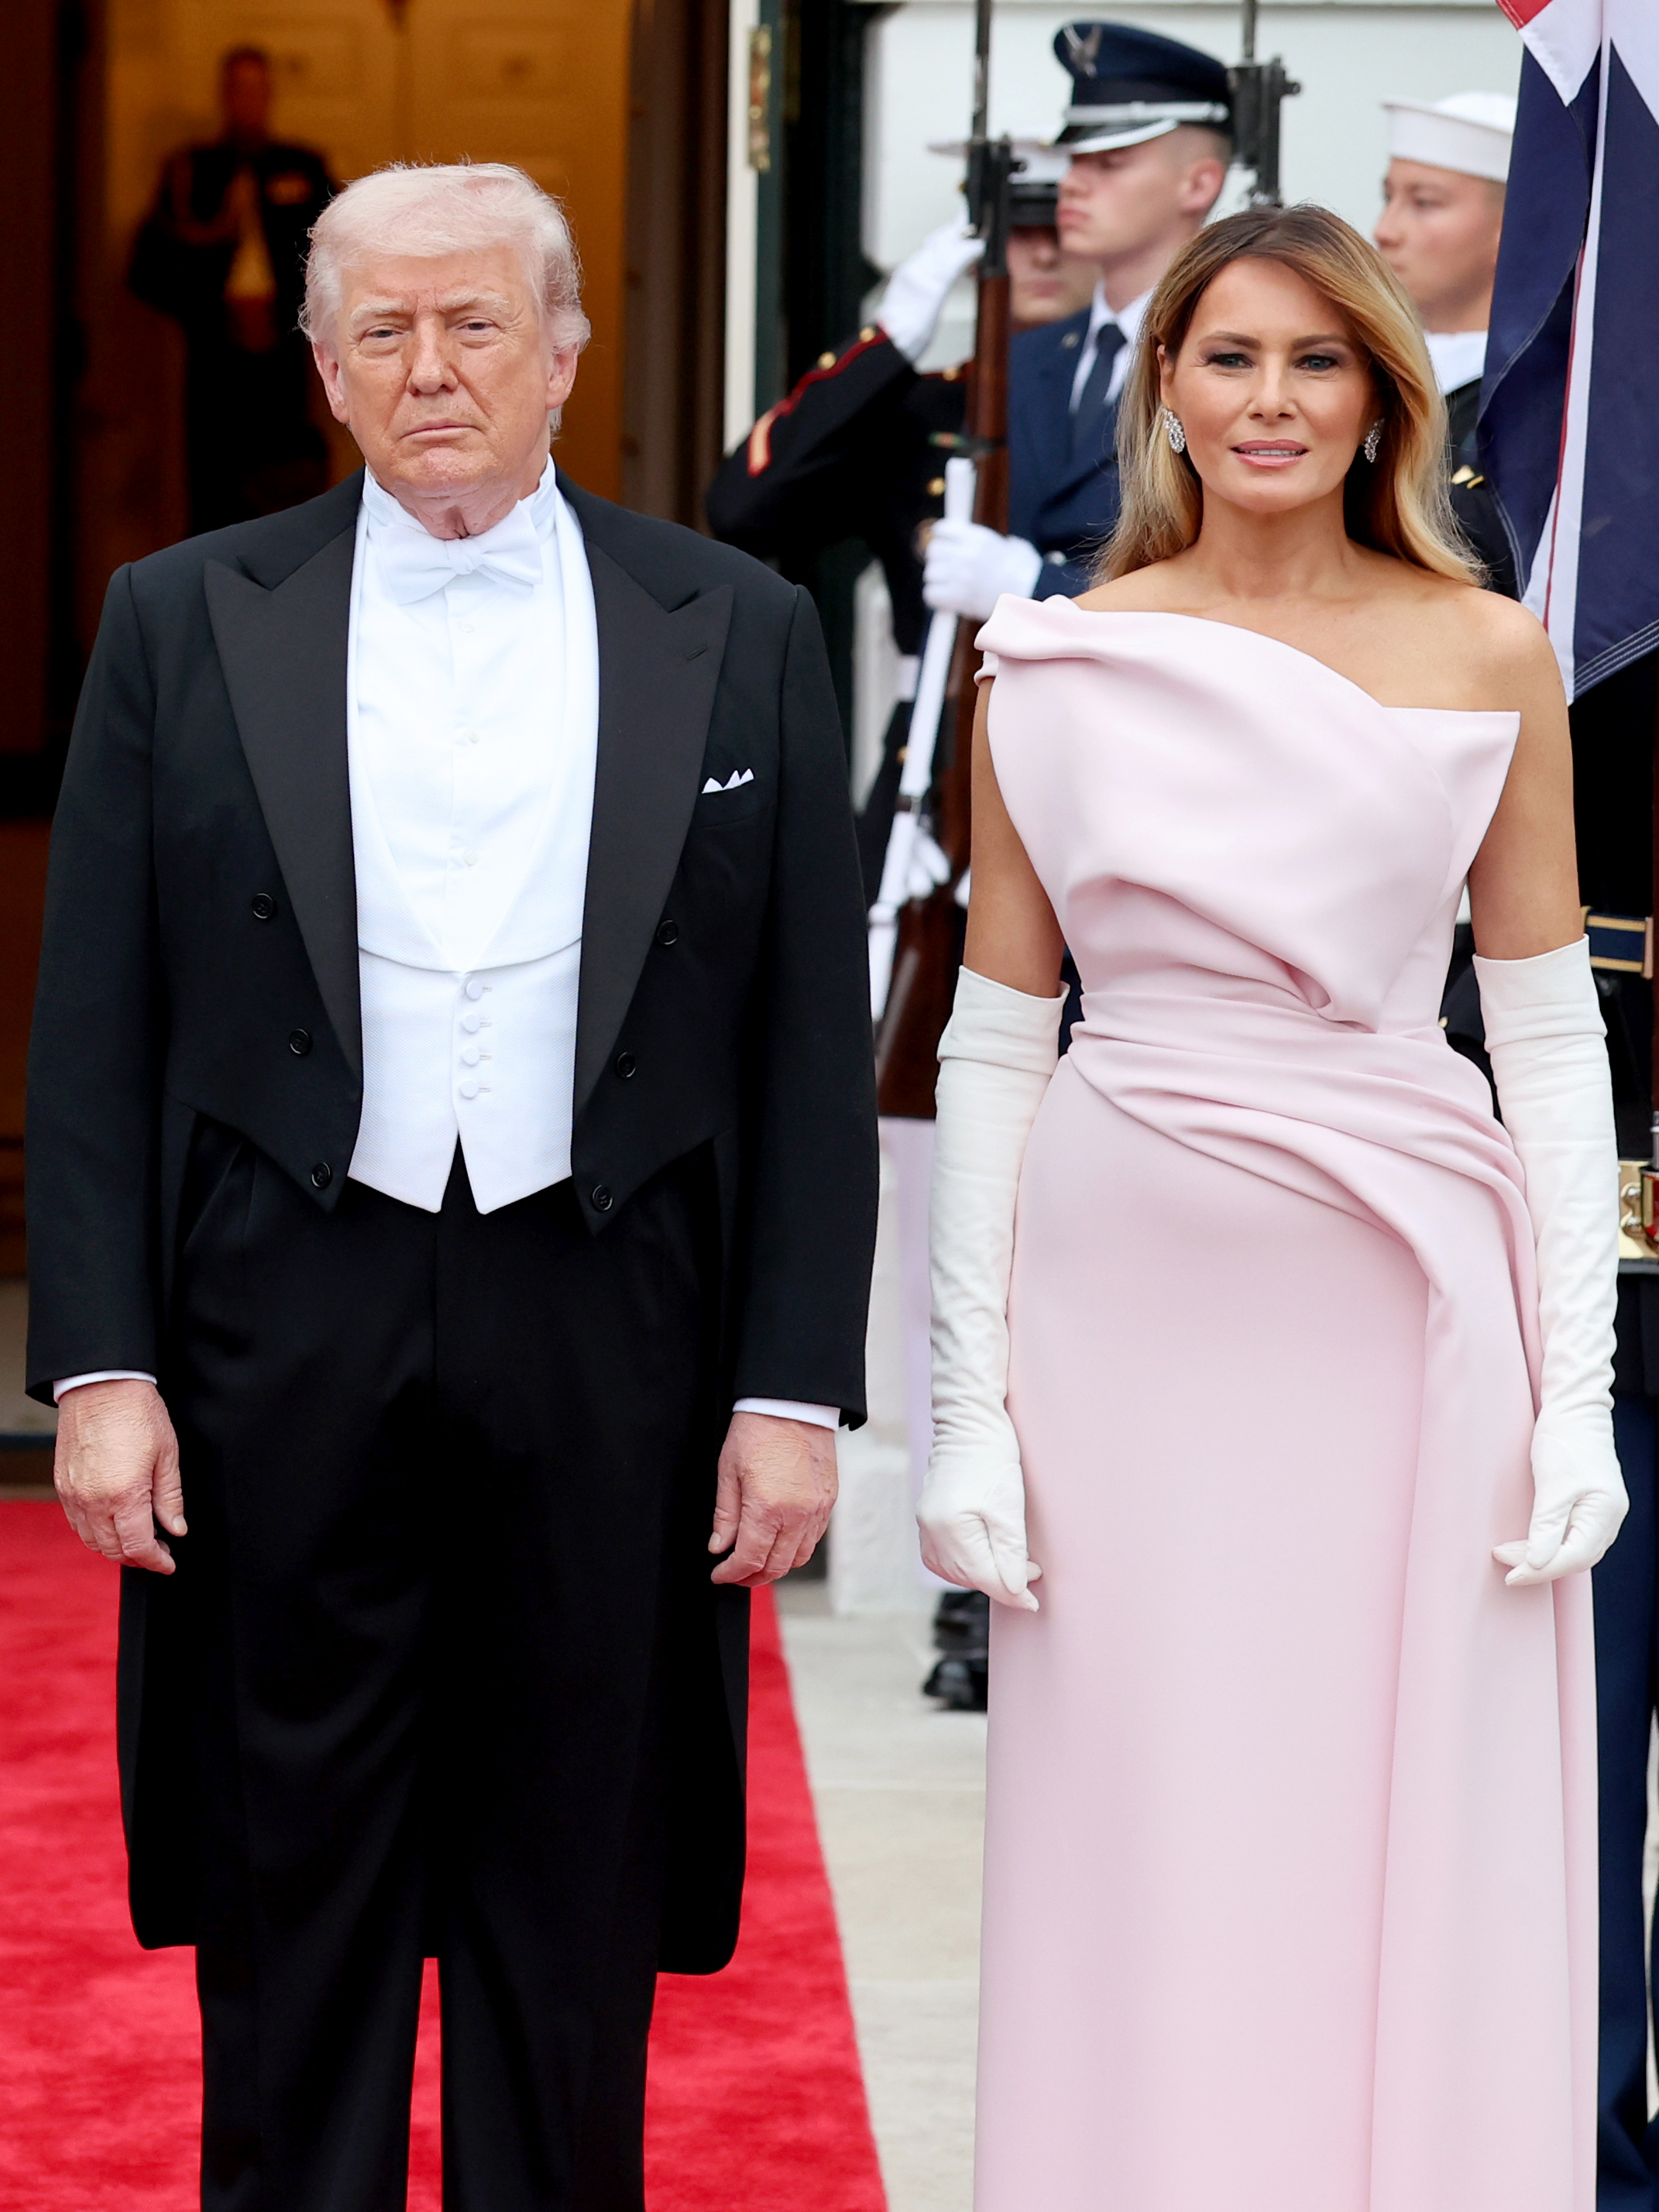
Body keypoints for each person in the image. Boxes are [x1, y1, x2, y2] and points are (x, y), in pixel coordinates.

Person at [29, 161, 877, 2211]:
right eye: (384, 331)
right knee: (285, 1869)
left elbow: (800, 1042)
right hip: (279, 1304)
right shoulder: (177, 616)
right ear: (323, 372)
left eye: (477, 323)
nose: (433, 368)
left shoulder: (738, 624)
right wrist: (102, 1366)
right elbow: (97, 1021)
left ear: (564, 353)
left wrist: (788, 1387)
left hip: (611, 1304)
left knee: (576, 1876)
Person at [921, 203, 1621, 2207]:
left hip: (1411, 1321)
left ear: (1381, 396)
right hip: (1121, 1335)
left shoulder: (1488, 653)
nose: (1270, 401)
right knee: (1152, 1838)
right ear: (1165, 385)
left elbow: (1548, 1039)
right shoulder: (1054, 664)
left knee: (1390, 1816)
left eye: (1318, 361)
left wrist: (1573, 1398)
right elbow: (995, 1044)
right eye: (1228, 357)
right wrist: (966, 1409)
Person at [706, 157, 1096, 900]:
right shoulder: (923, 410)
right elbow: (743, 508)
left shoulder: (1145, 408)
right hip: (932, 749)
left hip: (1087, 749)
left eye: (1060, 228)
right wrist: (886, 344)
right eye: (1019, 233)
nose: (1044, 254)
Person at [922, 22, 1232, 621]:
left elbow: (1224, 593)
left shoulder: (1226, 364)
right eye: (1074, 160)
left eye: (1110, 163)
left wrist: (1037, 586)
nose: (1073, 184)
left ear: (1198, 184)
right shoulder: (1027, 358)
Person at [129, 46, 335, 531]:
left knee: (285, 491)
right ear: (224, 96)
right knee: (214, 490)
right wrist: (202, 313)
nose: (249, 101)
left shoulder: (303, 168)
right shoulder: (190, 171)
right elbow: (147, 270)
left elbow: (339, 258)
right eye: (239, 90)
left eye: (257, 90)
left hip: (284, 359)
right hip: (215, 363)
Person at [1375, 90, 1518, 593]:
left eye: (1424, 203)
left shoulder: (1534, 402)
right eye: (1388, 198)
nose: (1385, 231)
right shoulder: (1358, 368)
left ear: (1511, 228)